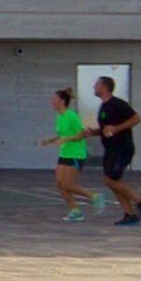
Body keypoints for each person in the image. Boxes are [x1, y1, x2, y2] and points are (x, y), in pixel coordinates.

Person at [89, 75, 141, 225]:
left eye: (96, 84)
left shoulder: (117, 104)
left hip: (122, 148)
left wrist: (116, 128)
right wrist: (93, 132)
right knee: (114, 181)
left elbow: (136, 119)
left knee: (109, 180)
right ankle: (130, 214)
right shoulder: (104, 106)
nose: (93, 87)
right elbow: (106, 129)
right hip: (110, 148)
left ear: (104, 87)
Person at [41, 86, 94, 220]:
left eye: (54, 99)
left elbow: (82, 134)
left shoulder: (71, 116)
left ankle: (94, 197)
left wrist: (66, 139)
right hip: (64, 154)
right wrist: (49, 140)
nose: (51, 101)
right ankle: (76, 211)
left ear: (62, 101)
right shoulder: (59, 117)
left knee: (68, 185)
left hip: (76, 154)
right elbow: (62, 135)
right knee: (60, 184)